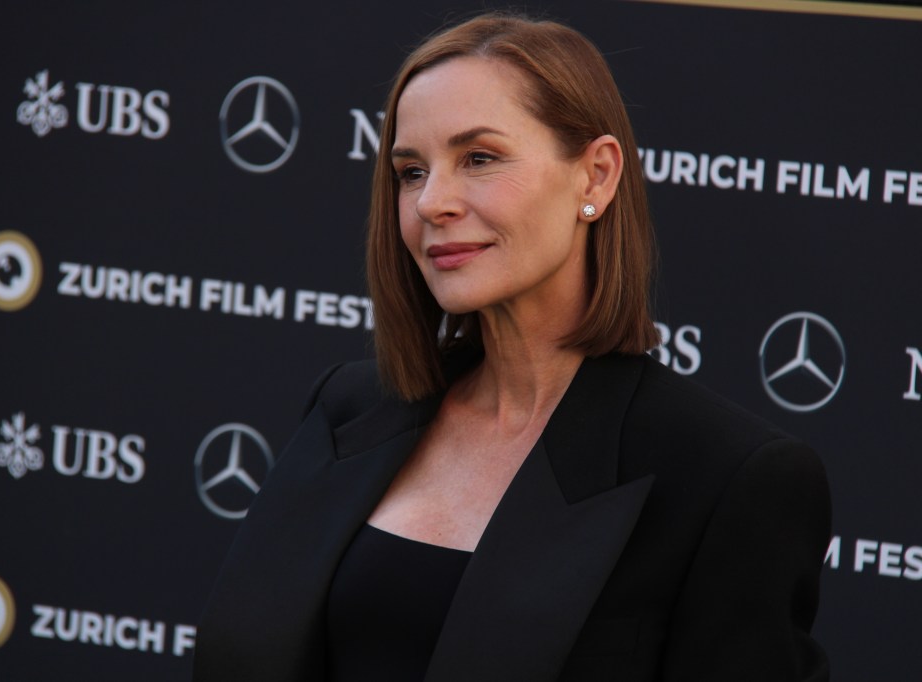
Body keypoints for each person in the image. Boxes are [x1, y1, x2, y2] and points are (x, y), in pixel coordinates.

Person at [194, 12, 831, 682]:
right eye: (411, 171)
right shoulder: (346, 409)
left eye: (479, 158)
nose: (431, 202)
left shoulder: (729, 478)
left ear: (596, 176)